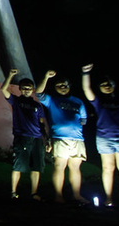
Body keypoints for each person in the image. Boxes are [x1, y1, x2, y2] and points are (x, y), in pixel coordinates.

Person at [81, 64, 119, 207]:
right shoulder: (99, 101)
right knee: (108, 168)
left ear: (114, 85)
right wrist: (85, 74)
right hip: (104, 138)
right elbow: (86, 89)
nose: (107, 86)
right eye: (103, 84)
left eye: (109, 84)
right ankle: (109, 198)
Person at [36, 70, 88, 204]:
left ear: (69, 86)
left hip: (77, 139)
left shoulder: (78, 102)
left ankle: (76, 195)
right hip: (59, 139)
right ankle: (58, 196)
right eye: (59, 85)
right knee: (59, 166)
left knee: (75, 167)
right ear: (55, 87)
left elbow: (83, 120)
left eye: (65, 85)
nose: (62, 87)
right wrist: (46, 76)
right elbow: (38, 93)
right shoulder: (52, 100)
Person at [1, 68, 50, 200]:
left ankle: (34, 193)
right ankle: (13, 192)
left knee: (37, 166)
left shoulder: (37, 105)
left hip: (37, 138)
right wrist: (10, 75)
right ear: (20, 89)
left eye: (29, 88)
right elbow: (3, 90)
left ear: (33, 89)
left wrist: (47, 139)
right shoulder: (16, 101)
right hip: (22, 137)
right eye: (24, 88)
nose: (27, 90)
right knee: (18, 165)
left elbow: (41, 123)